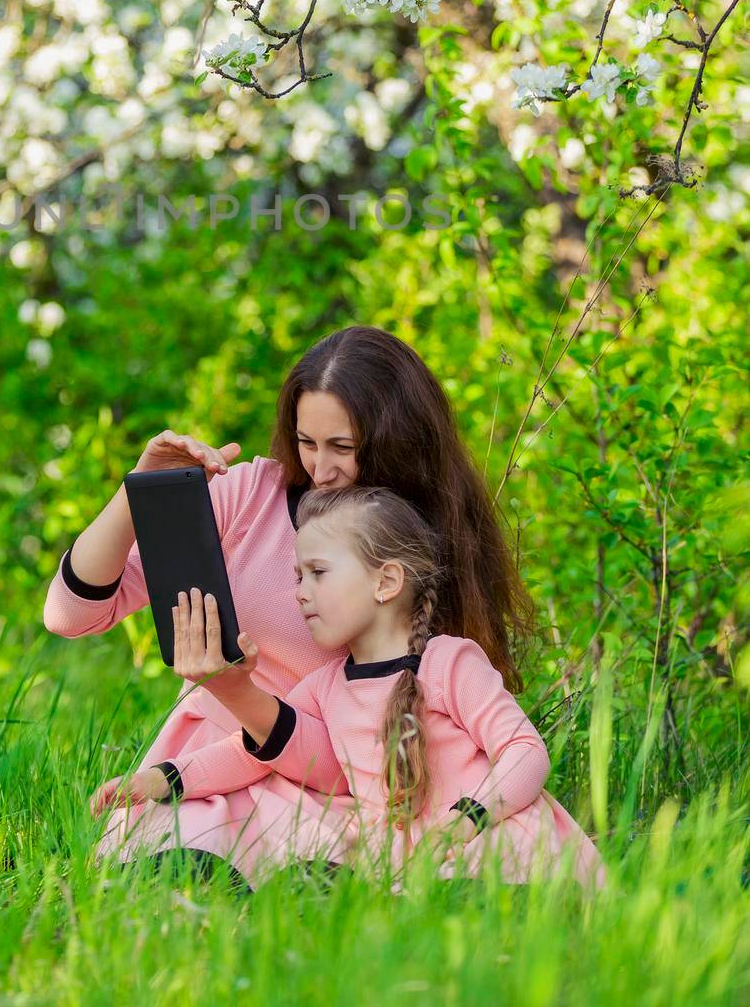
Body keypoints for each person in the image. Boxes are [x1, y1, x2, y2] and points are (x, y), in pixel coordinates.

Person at [43, 325, 536, 878]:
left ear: (397, 442)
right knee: (186, 879)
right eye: (307, 443)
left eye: (343, 448)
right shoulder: (250, 496)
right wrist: (138, 491)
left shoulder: (417, 537)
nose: (321, 471)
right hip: (221, 767)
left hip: (354, 782)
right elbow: (71, 615)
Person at [109, 486, 604, 892]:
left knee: (470, 899)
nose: (300, 591)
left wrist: (466, 819)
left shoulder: (449, 661)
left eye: (318, 573)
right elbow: (251, 753)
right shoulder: (325, 687)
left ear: (386, 581)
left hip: (491, 840)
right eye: (298, 575)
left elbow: (523, 749)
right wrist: (164, 778)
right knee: (311, 885)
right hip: (402, 867)